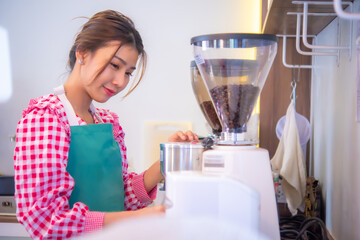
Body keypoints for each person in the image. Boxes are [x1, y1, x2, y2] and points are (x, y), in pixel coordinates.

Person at [13, 10, 198, 240]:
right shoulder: (45, 118)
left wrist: (165, 162)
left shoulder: (107, 121)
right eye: (114, 65)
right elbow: (45, 222)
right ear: (83, 52)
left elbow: (119, 200)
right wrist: (140, 218)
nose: (121, 81)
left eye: (128, 72)